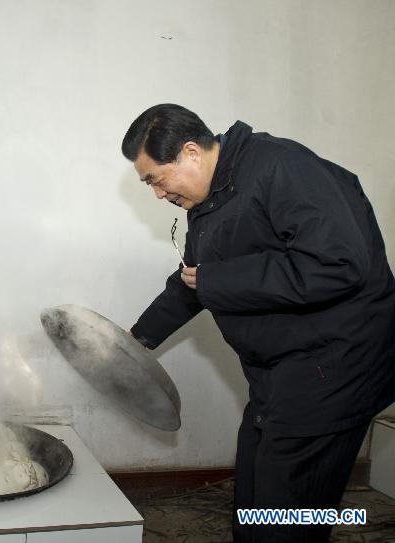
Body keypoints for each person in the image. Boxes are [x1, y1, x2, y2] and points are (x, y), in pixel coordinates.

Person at [121, 104, 395, 542]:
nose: (157, 194)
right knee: (254, 502)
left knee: (287, 514)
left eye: (155, 179)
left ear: (191, 152)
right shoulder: (211, 198)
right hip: (280, 371)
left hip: (334, 369)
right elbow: (193, 280)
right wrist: (136, 341)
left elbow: (339, 264)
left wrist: (218, 279)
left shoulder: (283, 168)